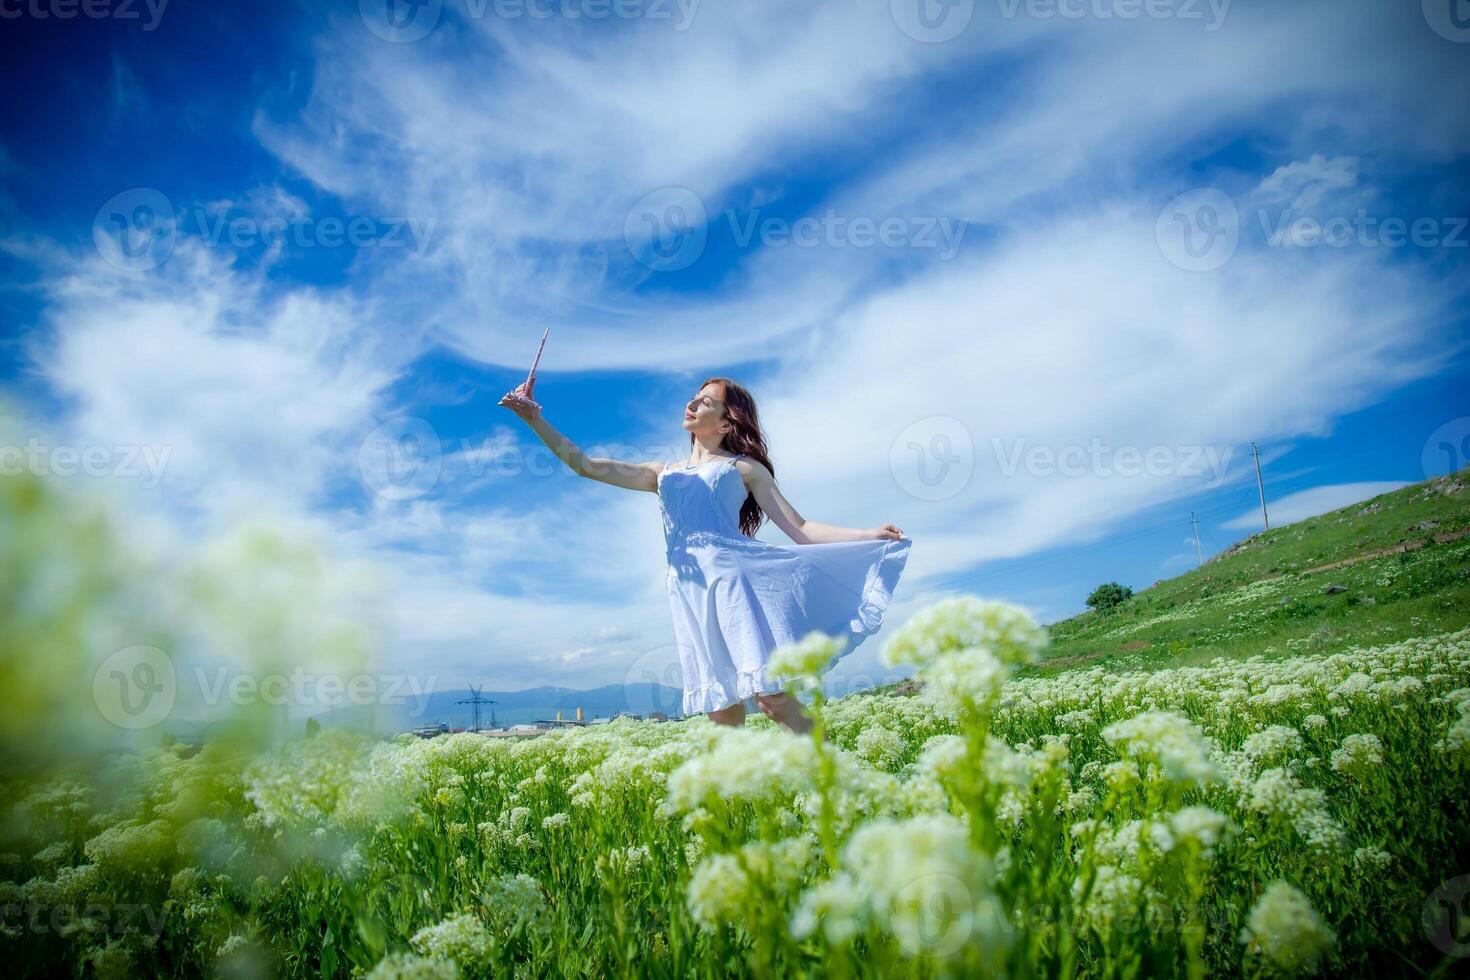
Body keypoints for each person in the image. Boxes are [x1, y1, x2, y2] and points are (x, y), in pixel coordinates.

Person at [498, 374, 911, 734]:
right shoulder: (662, 473)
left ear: (727, 420)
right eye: (692, 398)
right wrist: (533, 418)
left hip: (733, 584)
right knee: (721, 709)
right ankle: (739, 798)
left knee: (771, 697)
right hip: (687, 591)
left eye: (705, 402)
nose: (691, 404)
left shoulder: (743, 468)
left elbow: (799, 529)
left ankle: (828, 770)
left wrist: (866, 533)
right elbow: (584, 465)